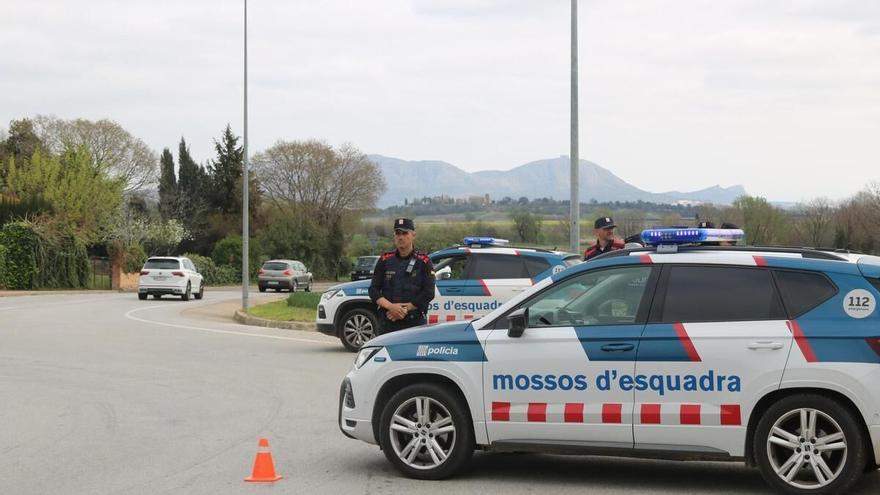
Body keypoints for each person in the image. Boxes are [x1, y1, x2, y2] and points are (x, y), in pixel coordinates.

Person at [369, 218, 435, 335]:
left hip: (414, 323)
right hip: (387, 322)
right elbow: (373, 290)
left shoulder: (424, 262)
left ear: (413, 235)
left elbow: (429, 292)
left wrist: (405, 309)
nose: (401, 237)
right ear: (394, 236)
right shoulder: (385, 260)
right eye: (397, 233)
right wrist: (391, 307)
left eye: (405, 233)